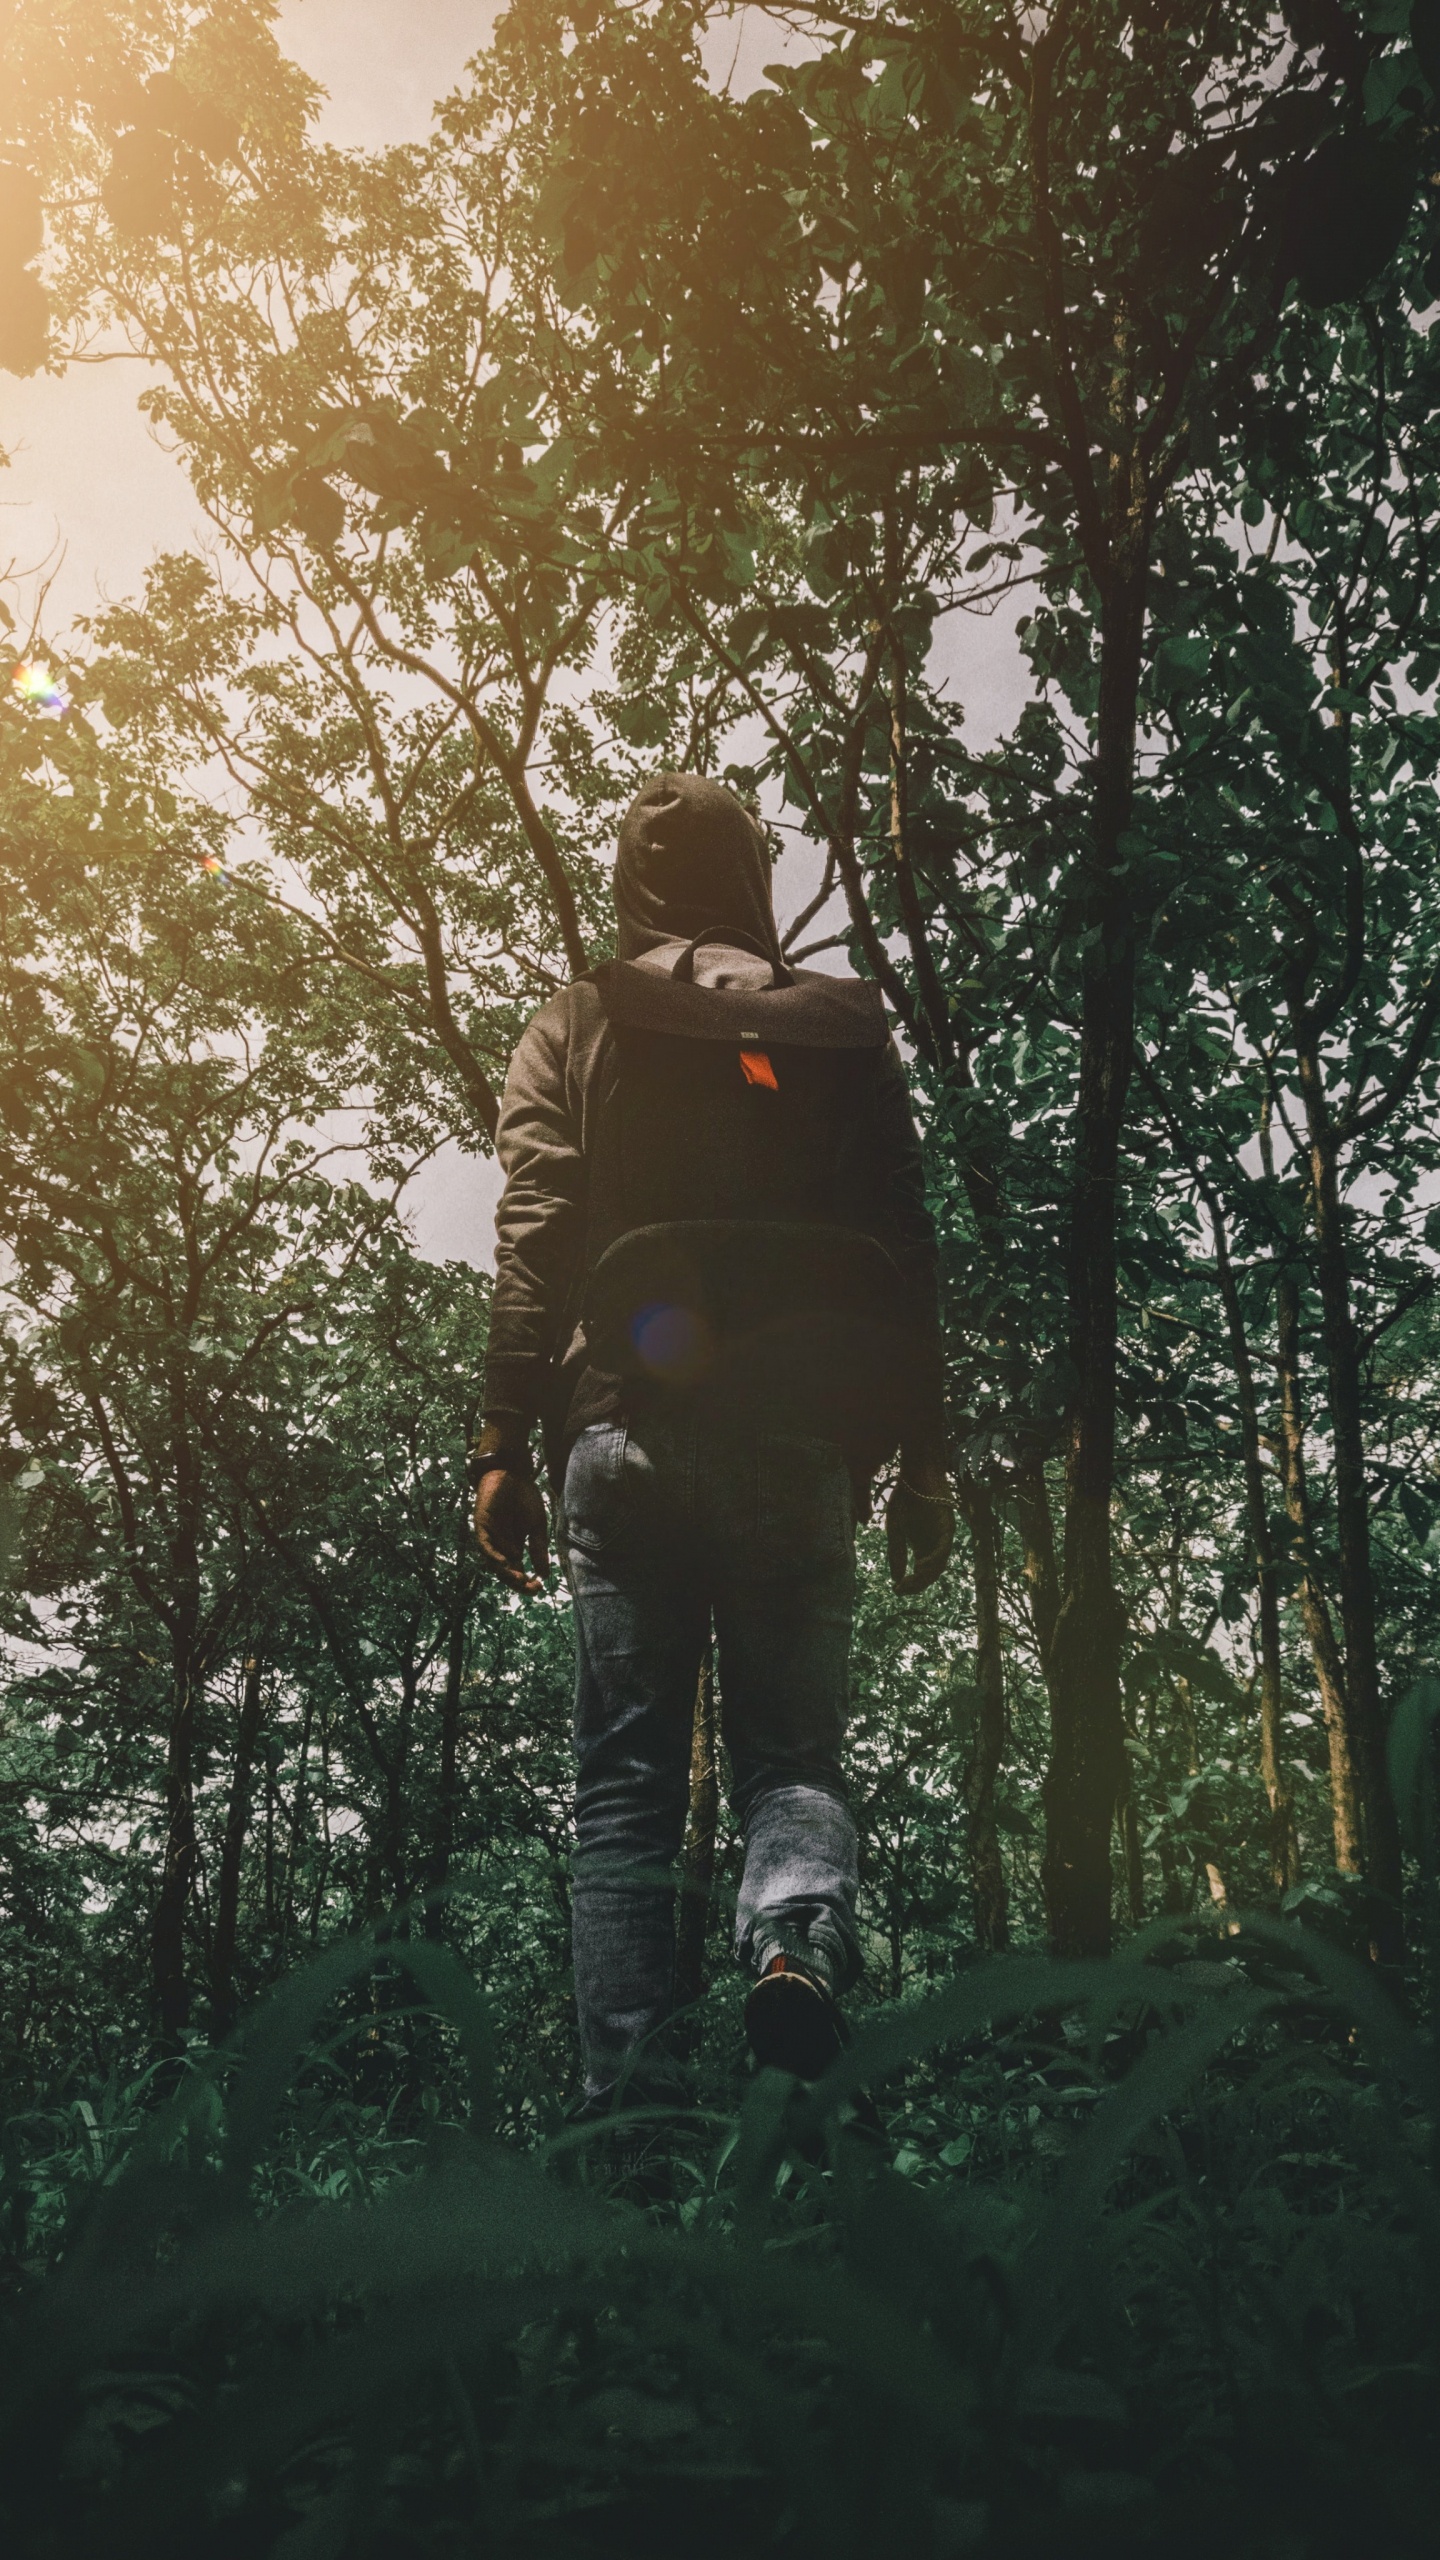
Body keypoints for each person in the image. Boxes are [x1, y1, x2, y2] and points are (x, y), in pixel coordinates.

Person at [471, 773, 952, 2109]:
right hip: (802, 1447)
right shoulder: (843, 1035)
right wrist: (928, 1463)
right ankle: (794, 1945)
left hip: (624, 1431)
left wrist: (501, 1430)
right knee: (792, 1761)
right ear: (752, 880)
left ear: (633, 882)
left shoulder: (579, 1016)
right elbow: (906, 1254)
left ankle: (627, 2121)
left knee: (623, 1783)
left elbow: (538, 1226)